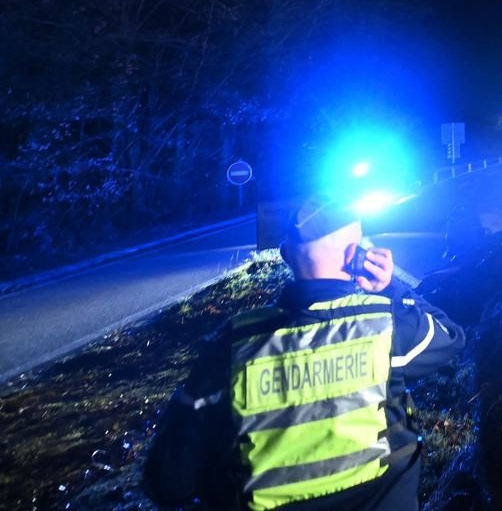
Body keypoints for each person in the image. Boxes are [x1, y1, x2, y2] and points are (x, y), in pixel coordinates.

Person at [144, 195, 465, 510]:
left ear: (285, 255)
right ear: (356, 254)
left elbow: (168, 482)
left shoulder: (230, 345)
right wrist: (391, 288)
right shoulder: (387, 323)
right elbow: (451, 336)